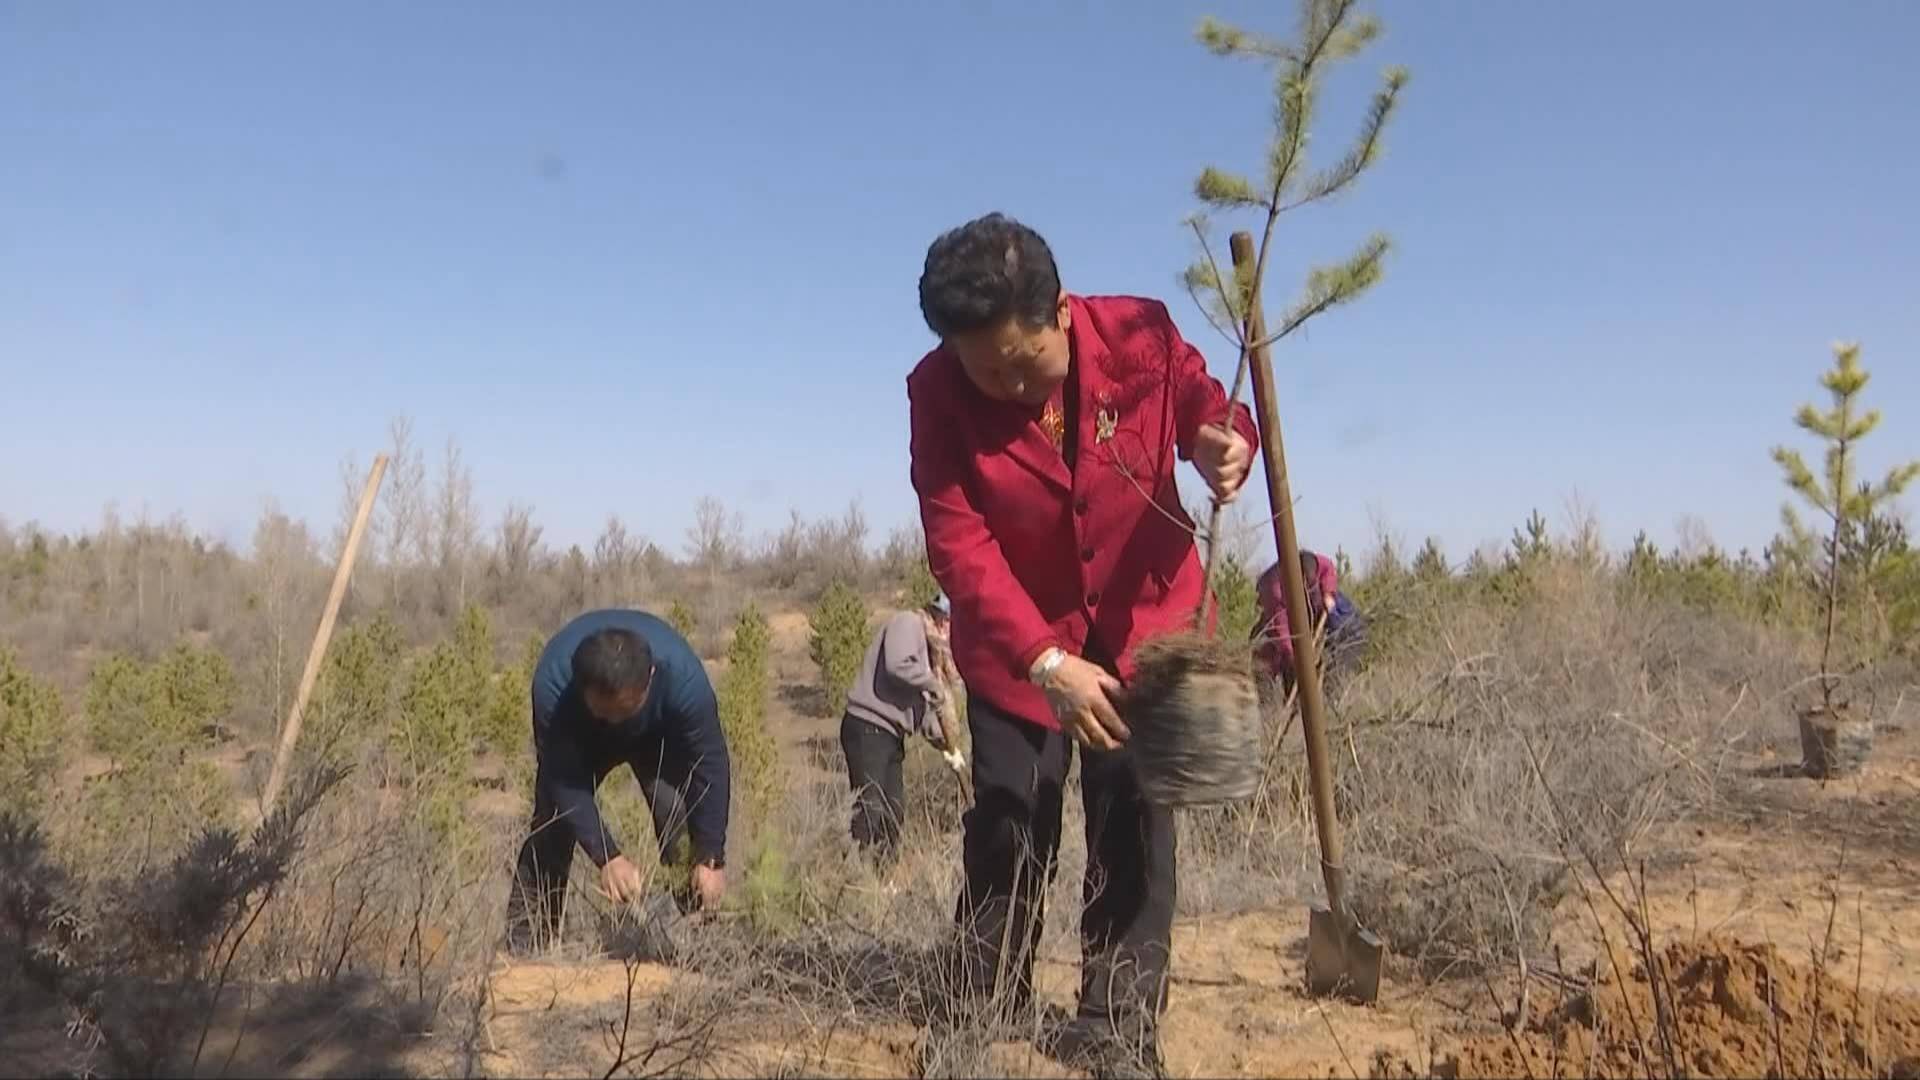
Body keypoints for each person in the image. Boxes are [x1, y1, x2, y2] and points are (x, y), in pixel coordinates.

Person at [907, 212, 1256, 1076]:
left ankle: (1116, 1027)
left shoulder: (1141, 335)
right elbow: (959, 542)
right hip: (1020, 645)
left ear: (1060, 314)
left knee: (1133, 822)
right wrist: (1044, 661)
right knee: (1008, 821)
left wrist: (1225, 439)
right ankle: (979, 1003)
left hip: (1146, 627)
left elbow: (1207, 408)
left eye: (1021, 364)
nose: (1006, 389)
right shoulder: (935, 393)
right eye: (981, 370)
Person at [505, 608, 732, 956]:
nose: (615, 720)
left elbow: (711, 765)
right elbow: (564, 781)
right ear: (583, 690)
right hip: (580, 739)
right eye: (605, 711)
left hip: (657, 733)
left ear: (651, 676)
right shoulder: (555, 685)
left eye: (625, 708)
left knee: (677, 818)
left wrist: (712, 856)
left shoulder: (684, 681)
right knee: (551, 825)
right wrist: (607, 856)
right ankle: (526, 946)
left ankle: (695, 943)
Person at [839, 591, 966, 865]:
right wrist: (933, 685)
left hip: (892, 736)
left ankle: (883, 882)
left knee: (893, 813)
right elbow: (897, 664)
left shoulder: (931, 660)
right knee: (868, 809)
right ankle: (855, 879)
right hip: (867, 726)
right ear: (941, 618)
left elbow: (923, 713)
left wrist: (948, 746)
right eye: (950, 623)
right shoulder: (909, 623)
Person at [1254, 549, 1368, 699]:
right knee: (1283, 662)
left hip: (1319, 616)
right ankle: (1289, 705)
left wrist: (1328, 592)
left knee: (1345, 625)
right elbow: (1282, 630)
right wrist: (1294, 658)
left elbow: (1328, 566)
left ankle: (1330, 699)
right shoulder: (1275, 590)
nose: (1311, 586)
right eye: (1307, 584)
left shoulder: (1313, 562)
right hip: (1284, 623)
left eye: (1313, 582)